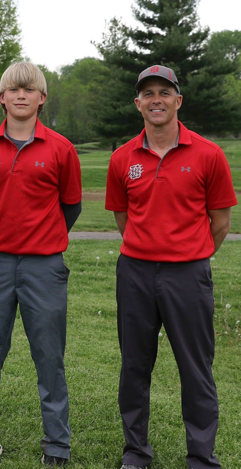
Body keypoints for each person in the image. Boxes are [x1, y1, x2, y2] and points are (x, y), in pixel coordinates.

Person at [105, 65, 236, 469]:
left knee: (196, 368)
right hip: (136, 273)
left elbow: (221, 222)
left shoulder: (209, 154)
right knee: (134, 366)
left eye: (165, 92)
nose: (156, 99)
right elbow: (123, 218)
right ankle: (135, 451)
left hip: (188, 275)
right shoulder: (123, 158)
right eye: (149, 93)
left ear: (178, 101)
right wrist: (149, 250)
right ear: (138, 103)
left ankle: (200, 455)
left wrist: (188, 254)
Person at [0, 62, 82, 467]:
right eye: (13, 90)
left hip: (44, 268)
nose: (20, 95)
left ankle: (57, 445)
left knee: (49, 356)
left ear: (41, 98)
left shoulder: (61, 149)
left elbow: (71, 206)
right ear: (1, 97)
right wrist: (6, 239)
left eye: (29, 90)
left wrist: (40, 241)